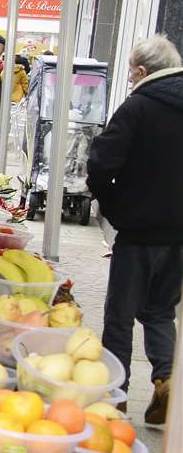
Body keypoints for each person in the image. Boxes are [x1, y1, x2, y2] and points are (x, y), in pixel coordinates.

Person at [88, 34, 183, 427]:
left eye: (131, 73)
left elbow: (100, 164)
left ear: (142, 71)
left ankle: (116, 397)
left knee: (120, 316)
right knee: (160, 309)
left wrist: (115, 210)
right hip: (179, 233)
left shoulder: (138, 107)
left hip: (139, 230)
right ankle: (166, 380)